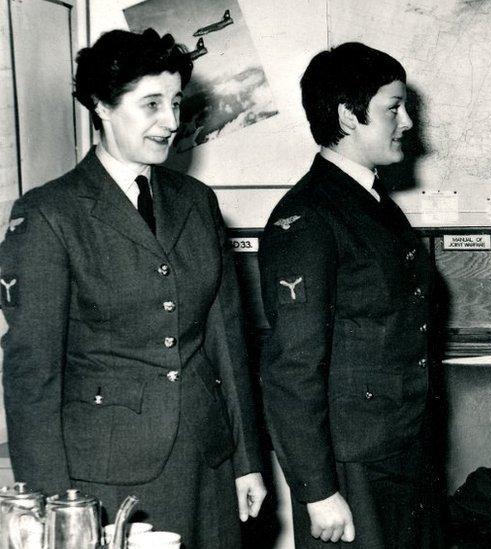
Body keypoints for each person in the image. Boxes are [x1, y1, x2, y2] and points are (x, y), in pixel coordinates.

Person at [0, 29, 266, 547]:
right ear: (101, 105)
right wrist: (54, 510)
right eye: (151, 105)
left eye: (175, 103)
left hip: (209, 463)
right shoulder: (50, 215)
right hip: (105, 481)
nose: (171, 122)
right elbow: (31, 378)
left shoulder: (197, 201)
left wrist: (246, 460)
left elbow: (226, 341)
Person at [258, 42, 439, 548]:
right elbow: (292, 367)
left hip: (402, 449)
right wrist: (317, 490)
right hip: (351, 464)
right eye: (393, 109)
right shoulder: (309, 217)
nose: (406, 123)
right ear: (347, 116)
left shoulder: (372, 201)